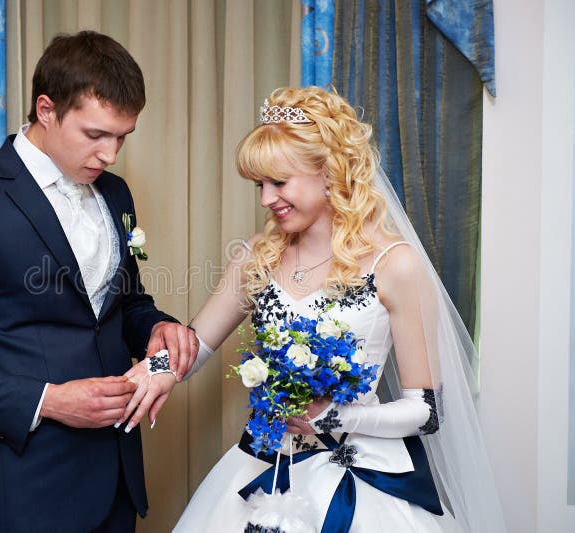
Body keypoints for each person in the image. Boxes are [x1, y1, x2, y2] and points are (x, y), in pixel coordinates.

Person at [120, 86, 505, 532]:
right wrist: (152, 370)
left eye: (278, 183)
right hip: (264, 463)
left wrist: (336, 416)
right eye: (259, 184)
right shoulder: (255, 259)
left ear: (329, 173)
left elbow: (427, 411)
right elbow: (195, 345)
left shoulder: (394, 265)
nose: (266, 199)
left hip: (360, 478)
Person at [0, 30, 197, 532]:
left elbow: (122, 304)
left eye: (122, 137)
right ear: (47, 109)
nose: (111, 155)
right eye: (96, 135)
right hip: (26, 491)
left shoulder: (115, 194)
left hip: (117, 482)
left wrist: (156, 328)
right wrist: (49, 400)